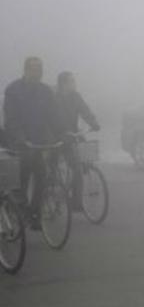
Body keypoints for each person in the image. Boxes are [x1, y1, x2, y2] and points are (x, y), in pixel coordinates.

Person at [3, 57, 61, 227]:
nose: (38, 73)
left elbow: (54, 116)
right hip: (18, 142)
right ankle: (19, 210)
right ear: (26, 70)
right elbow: (11, 119)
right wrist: (21, 138)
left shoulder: (45, 91)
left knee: (42, 177)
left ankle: (34, 213)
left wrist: (61, 134)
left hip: (37, 142)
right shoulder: (13, 90)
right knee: (21, 178)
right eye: (34, 69)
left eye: (40, 69)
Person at [54, 71, 101, 210]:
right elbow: (51, 118)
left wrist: (93, 122)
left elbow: (85, 110)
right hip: (57, 137)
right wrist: (61, 131)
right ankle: (55, 194)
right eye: (72, 81)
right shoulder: (54, 98)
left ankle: (76, 201)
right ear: (63, 84)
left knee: (79, 166)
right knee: (57, 168)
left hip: (73, 135)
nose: (74, 84)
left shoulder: (76, 96)